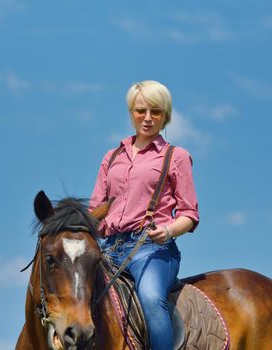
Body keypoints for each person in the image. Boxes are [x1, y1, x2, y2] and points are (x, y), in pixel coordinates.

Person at [89, 80, 199, 350]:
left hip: (153, 249)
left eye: (156, 112)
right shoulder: (112, 157)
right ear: (131, 113)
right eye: (141, 111)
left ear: (165, 116)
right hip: (110, 248)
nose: (148, 118)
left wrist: (169, 231)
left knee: (150, 298)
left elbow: (189, 213)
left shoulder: (176, 156)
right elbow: (95, 209)